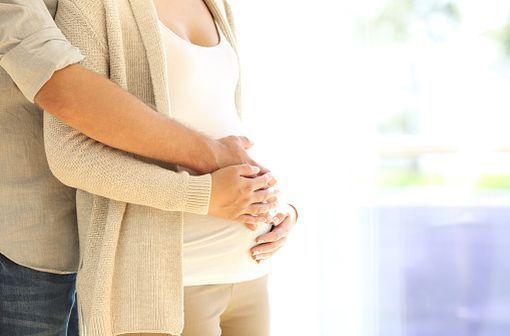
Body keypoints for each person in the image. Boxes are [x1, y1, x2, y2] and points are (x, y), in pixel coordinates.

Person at [0, 0, 295, 335]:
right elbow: (65, 113)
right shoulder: (93, 6)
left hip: (249, 270)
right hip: (166, 282)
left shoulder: (218, 5)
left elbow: (224, 126)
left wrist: (273, 204)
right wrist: (205, 192)